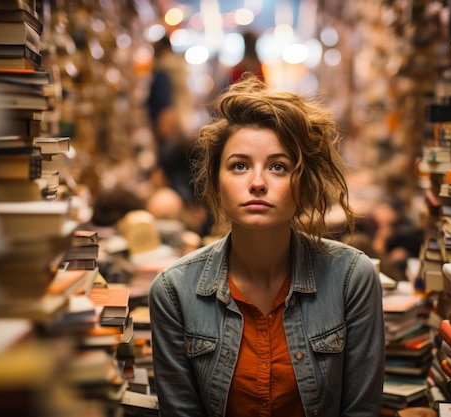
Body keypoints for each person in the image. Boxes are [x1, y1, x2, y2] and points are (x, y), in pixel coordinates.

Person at [149, 76, 385, 417]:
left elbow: (361, 411)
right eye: (239, 166)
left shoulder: (352, 279)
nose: (257, 183)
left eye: (278, 167)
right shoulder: (174, 292)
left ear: (302, 184)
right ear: (216, 183)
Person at [146, 35, 196, 206]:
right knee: (178, 169)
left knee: (168, 169)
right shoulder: (177, 68)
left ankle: (169, 205)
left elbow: (164, 102)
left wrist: (162, 127)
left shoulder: (163, 69)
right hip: (179, 123)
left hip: (168, 125)